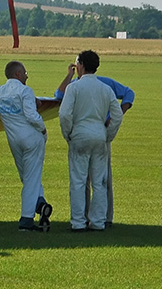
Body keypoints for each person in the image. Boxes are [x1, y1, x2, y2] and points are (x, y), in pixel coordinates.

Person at [56, 61, 134, 226]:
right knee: (100, 181)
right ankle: (99, 221)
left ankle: (78, 221)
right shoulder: (105, 87)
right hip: (100, 135)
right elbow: (117, 115)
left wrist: (67, 133)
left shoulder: (74, 87)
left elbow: (63, 113)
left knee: (79, 181)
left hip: (80, 134)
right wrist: (109, 134)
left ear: (81, 66)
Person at [0, 60, 52, 232]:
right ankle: (26, 220)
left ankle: (41, 205)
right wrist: (43, 130)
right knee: (31, 179)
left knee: (28, 178)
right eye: (25, 73)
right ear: (18, 74)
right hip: (32, 139)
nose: (27, 76)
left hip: (14, 141)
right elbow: (31, 115)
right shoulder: (25, 90)